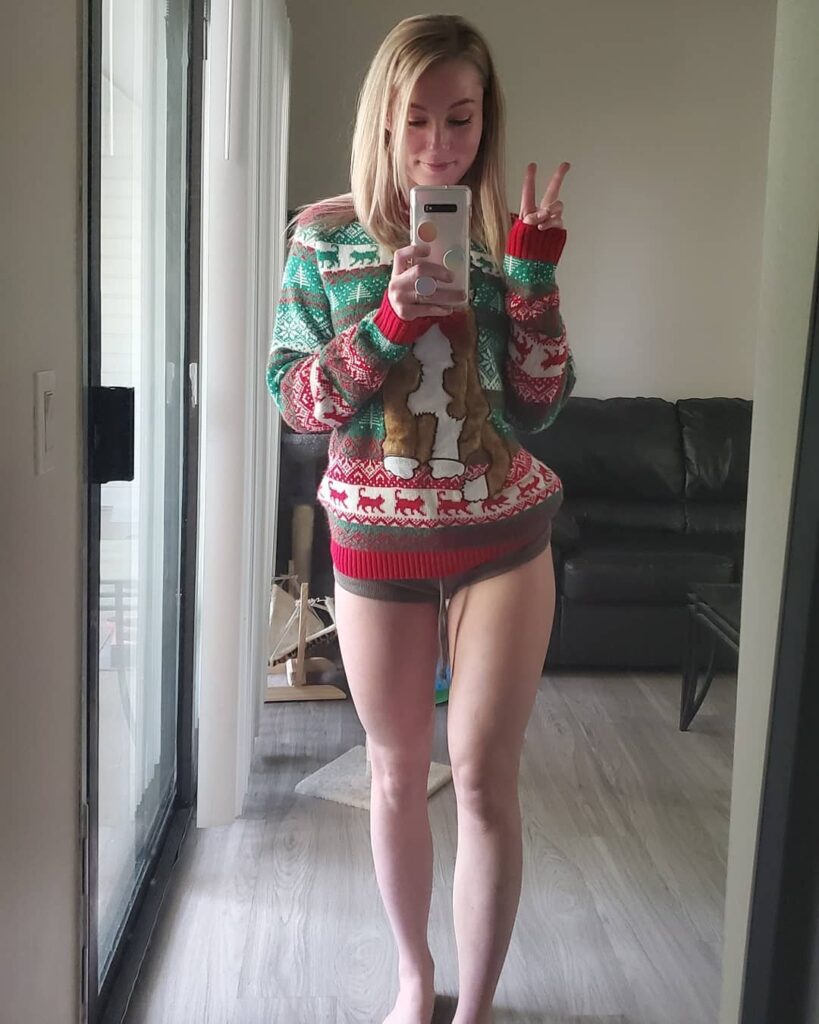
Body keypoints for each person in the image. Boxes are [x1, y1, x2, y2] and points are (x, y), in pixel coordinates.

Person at [267, 14, 575, 1024]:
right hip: (375, 537)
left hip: (500, 533)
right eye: (416, 120)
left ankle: (474, 1005)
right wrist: (390, 318)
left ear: (487, 120)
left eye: (462, 118)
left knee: (482, 779)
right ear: (382, 119)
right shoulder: (322, 238)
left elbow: (540, 404)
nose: (440, 145)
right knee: (398, 773)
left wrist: (532, 283)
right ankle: (413, 978)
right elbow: (297, 401)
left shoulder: (500, 239)